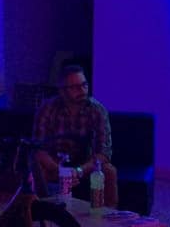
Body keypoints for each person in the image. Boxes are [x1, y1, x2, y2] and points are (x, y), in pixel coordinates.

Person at [32, 64, 119, 209]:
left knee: (109, 171)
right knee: (36, 169)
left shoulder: (97, 110)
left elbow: (104, 153)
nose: (82, 90)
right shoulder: (48, 109)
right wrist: (60, 171)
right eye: (75, 87)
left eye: (84, 85)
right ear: (63, 91)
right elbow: (38, 148)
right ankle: (42, 213)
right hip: (55, 164)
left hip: (85, 165)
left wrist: (78, 171)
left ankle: (108, 215)